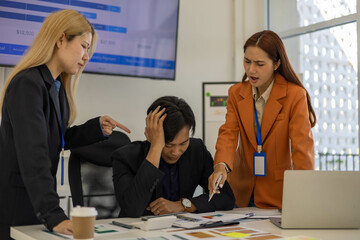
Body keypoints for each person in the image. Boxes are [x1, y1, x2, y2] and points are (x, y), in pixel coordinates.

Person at [0, 10, 130, 239]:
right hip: (18, 206)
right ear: (61, 40)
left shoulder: (55, 87)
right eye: (83, 45)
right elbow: (34, 153)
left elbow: (55, 137)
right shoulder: (27, 85)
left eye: (89, 49)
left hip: (35, 203)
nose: (86, 56)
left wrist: (95, 128)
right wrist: (53, 213)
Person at [208, 30, 316, 209]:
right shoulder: (236, 93)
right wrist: (220, 166)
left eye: (259, 64)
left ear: (276, 64)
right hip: (241, 191)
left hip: (278, 193)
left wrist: (303, 195)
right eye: (247, 61)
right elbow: (228, 134)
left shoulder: (295, 95)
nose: (251, 70)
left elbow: (302, 148)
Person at [112, 96, 235, 217]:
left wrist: (183, 205)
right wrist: (156, 147)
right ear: (150, 134)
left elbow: (226, 198)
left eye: (183, 143)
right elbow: (132, 210)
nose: (176, 152)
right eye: (168, 145)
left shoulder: (196, 150)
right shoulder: (126, 156)